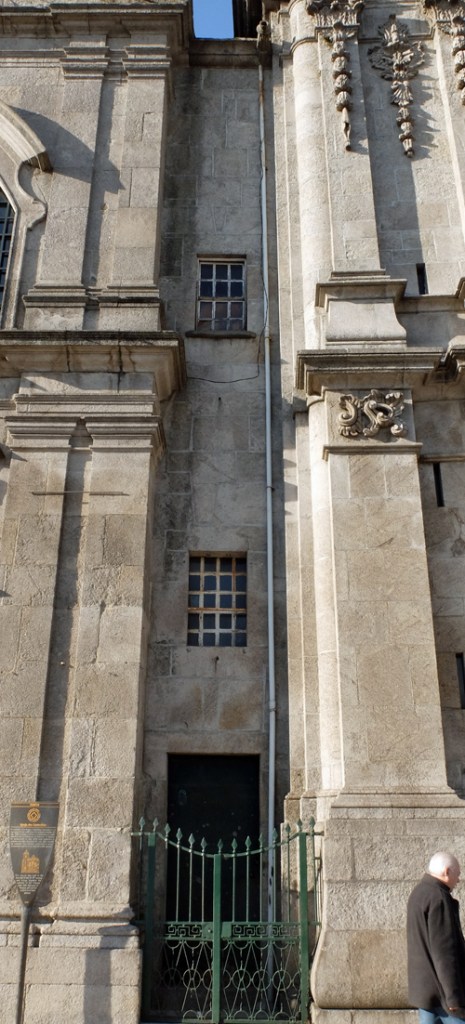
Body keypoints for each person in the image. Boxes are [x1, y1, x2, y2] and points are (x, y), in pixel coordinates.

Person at [407, 851, 465, 1024]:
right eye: (458, 874)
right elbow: (444, 953)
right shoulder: (438, 898)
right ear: (446, 871)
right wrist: (453, 997)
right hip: (442, 994)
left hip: (424, 991)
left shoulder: (418, 893)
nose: (458, 880)